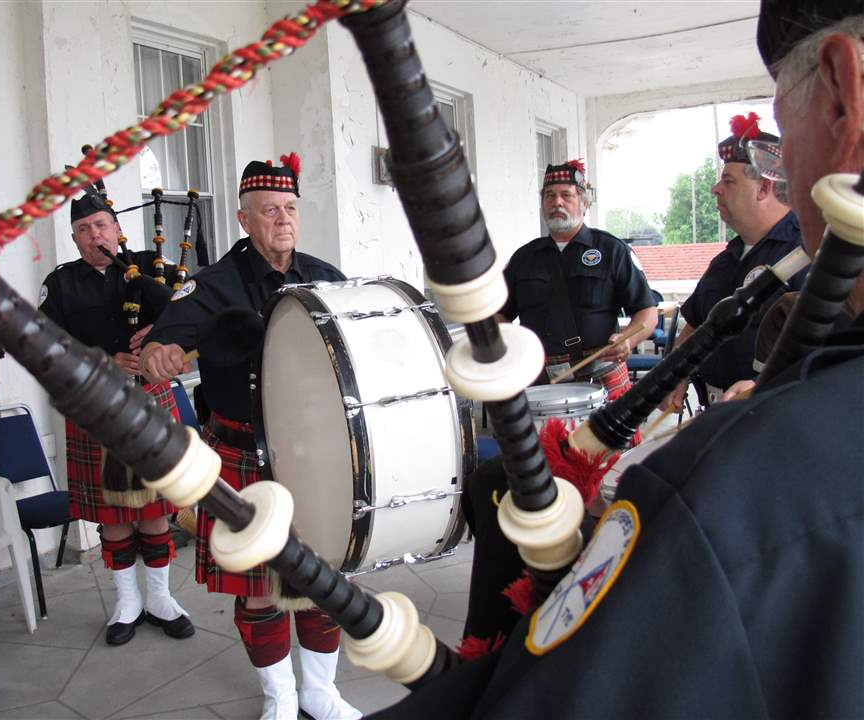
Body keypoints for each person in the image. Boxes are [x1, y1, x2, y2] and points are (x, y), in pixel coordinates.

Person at [369, 3, 864, 717]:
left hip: (613, 389)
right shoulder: (529, 259)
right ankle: (486, 632)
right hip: (560, 386)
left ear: (843, 94)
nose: (784, 179)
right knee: (496, 487)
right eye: (550, 194)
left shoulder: (721, 487)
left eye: (784, 139)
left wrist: (644, 350)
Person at [139, 154, 360, 720]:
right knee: (260, 589)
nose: (282, 220)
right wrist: (161, 352)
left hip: (317, 455)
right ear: (244, 219)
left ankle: (320, 693)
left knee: (321, 575)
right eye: (269, 211)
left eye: (289, 209)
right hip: (244, 451)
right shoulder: (213, 285)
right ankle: (280, 699)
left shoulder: (325, 277)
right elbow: (168, 338)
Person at [39, 189, 194, 646]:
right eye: (84, 230)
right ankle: (127, 601)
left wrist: (160, 333)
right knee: (114, 513)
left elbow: (192, 312)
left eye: (101, 225)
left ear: (117, 229)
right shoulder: (62, 284)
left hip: (149, 400)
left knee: (154, 508)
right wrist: (103, 361)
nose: (94, 236)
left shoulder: (150, 269)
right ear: (74, 238)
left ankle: (161, 598)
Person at [661, 116, 806, 411]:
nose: (715, 189)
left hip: (777, 413)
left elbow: (834, 346)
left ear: (763, 188)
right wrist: (676, 371)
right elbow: (695, 324)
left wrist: (767, 381)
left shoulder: (808, 251)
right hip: (716, 411)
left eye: (728, 181)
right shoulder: (725, 260)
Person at [502, 160, 658, 402]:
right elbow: (500, 315)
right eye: (550, 196)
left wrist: (628, 339)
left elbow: (647, 312)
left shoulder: (612, 250)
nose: (557, 202)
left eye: (567, 195)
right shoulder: (523, 258)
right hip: (540, 380)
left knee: (609, 442)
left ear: (584, 204)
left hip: (602, 375)